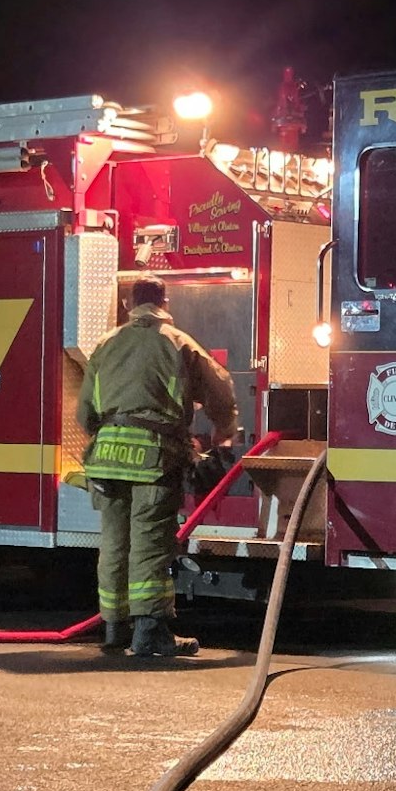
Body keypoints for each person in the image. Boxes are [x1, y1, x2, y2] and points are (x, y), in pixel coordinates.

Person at [77, 275, 239, 658]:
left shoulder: (106, 343)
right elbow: (220, 391)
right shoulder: (178, 343)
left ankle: (115, 627)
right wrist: (223, 434)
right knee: (150, 543)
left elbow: (85, 413)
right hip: (153, 457)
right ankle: (150, 632)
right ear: (165, 301)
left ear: (129, 304)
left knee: (115, 542)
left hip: (107, 460)